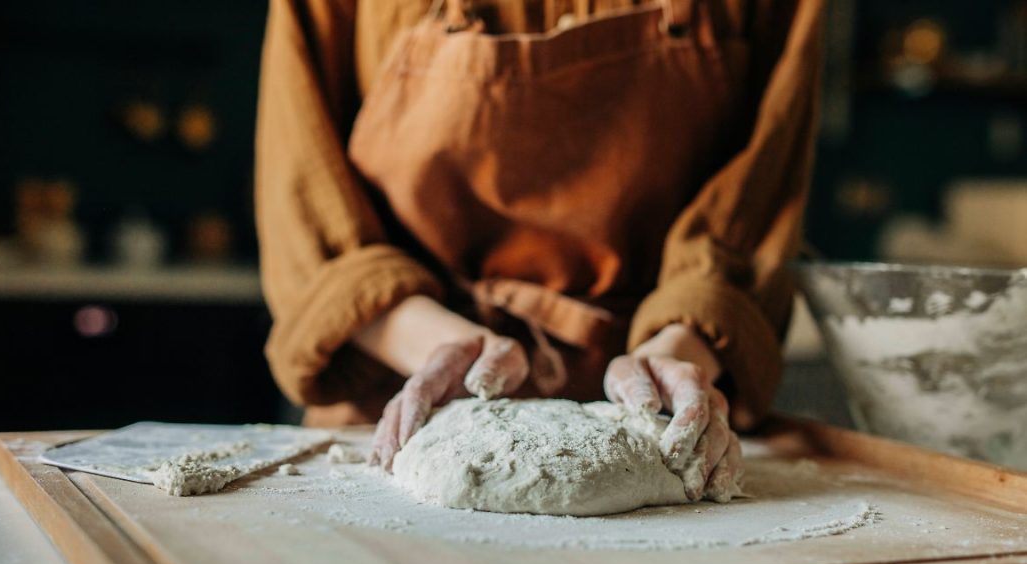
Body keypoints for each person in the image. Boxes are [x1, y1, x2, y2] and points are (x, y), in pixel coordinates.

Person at [256, 0, 823, 500]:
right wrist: (442, 348)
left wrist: (679, 352)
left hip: (663, 413)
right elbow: (306, 199)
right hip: (406, 398)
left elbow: (761, 193)